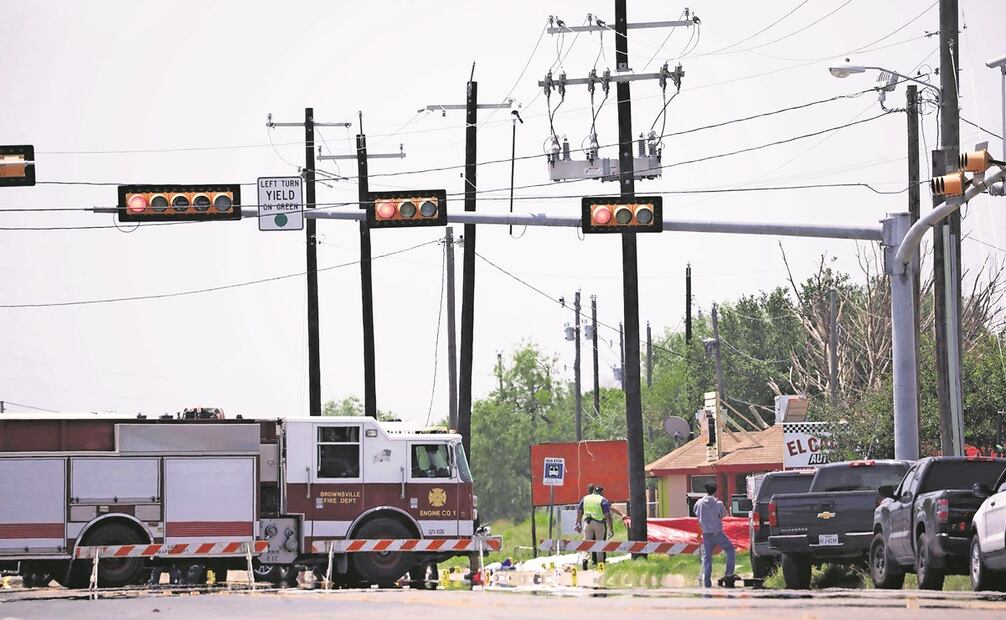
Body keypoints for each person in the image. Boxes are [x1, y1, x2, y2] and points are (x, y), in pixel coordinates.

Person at [693, 480, 736, 587]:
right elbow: (723, 514)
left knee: (707, 556)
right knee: (730, 549)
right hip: (717, 533)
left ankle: (707, 579)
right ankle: (729, 573)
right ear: (715, 490)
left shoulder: (699, 503)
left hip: (706, 534)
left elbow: (695, 512)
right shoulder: (718, 503)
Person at [575, 483, 614, 566]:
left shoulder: (585, 498)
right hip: (599, 523)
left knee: (586, 543)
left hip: (587, 523)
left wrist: (577, 523)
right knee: (599, 544)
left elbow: (579, 511)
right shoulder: (602, 500)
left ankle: (585, 559)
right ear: (600, 492)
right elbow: (607, 514)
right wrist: (611, 528)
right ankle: (600, 564)